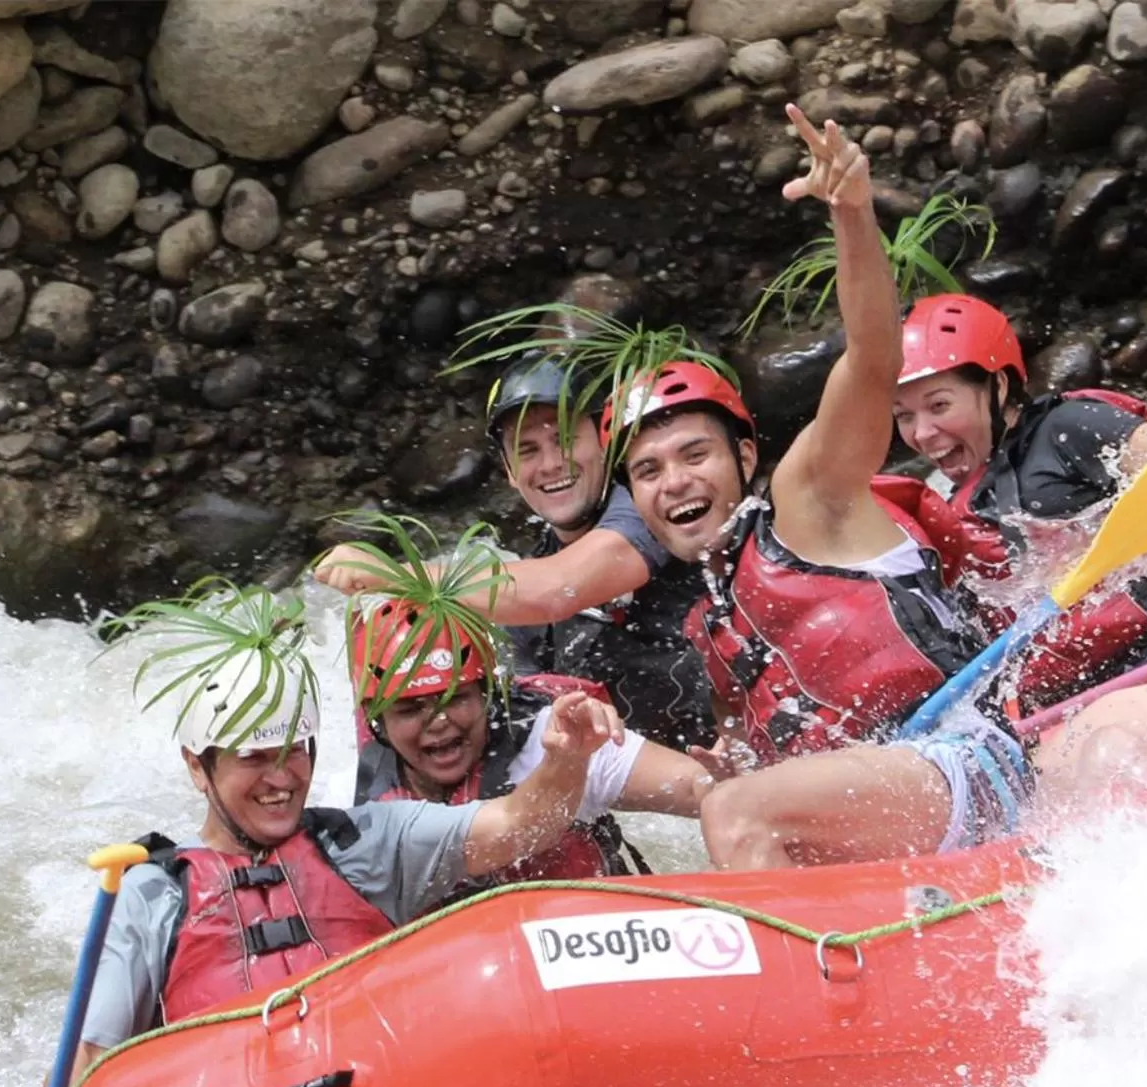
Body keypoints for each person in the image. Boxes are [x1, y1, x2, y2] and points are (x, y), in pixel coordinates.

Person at [8, 638, 621, 1087]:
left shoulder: (370, 842)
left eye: (294, 751)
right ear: (199, 767)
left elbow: (518, 824)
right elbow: (90, 1063)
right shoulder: (151, 892)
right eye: (253, 759)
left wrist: (566, 758)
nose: (281, 779)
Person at [607, 105, 1025, 871]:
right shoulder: (716, 621)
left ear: (743, 456)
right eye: (648, 471)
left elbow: (871, 359)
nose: (675, 483)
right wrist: (734, 754)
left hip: (965, 762)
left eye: (693, 454)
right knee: (727, 795)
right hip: (886, 821)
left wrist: (854, 215)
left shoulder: (807, 498)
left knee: (735, 812)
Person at [890, 292, 1147, 749]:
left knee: (1109, 754)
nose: (921, 433)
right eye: (903, 416)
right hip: (1067, 707)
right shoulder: (959, 506)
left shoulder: (1069, 429)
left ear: (998, 386)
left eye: (939, 406)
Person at [315, 357, 715, 750]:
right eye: (527, 450)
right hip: (656, 789)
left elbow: (561, 588)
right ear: (508, 470)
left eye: (563, 439)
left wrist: (401, 576)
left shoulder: (653, 508)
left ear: (604, 441)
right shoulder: (525, 590)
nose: (551, 464)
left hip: (735, 759)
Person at [348, 597, 716, 882]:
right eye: (411, 710)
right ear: (377, 721)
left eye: (456, 698)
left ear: (488, 696)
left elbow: (698, 790)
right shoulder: (373, 788)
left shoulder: (559, 737)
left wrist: (729, 785)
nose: (438, 722)